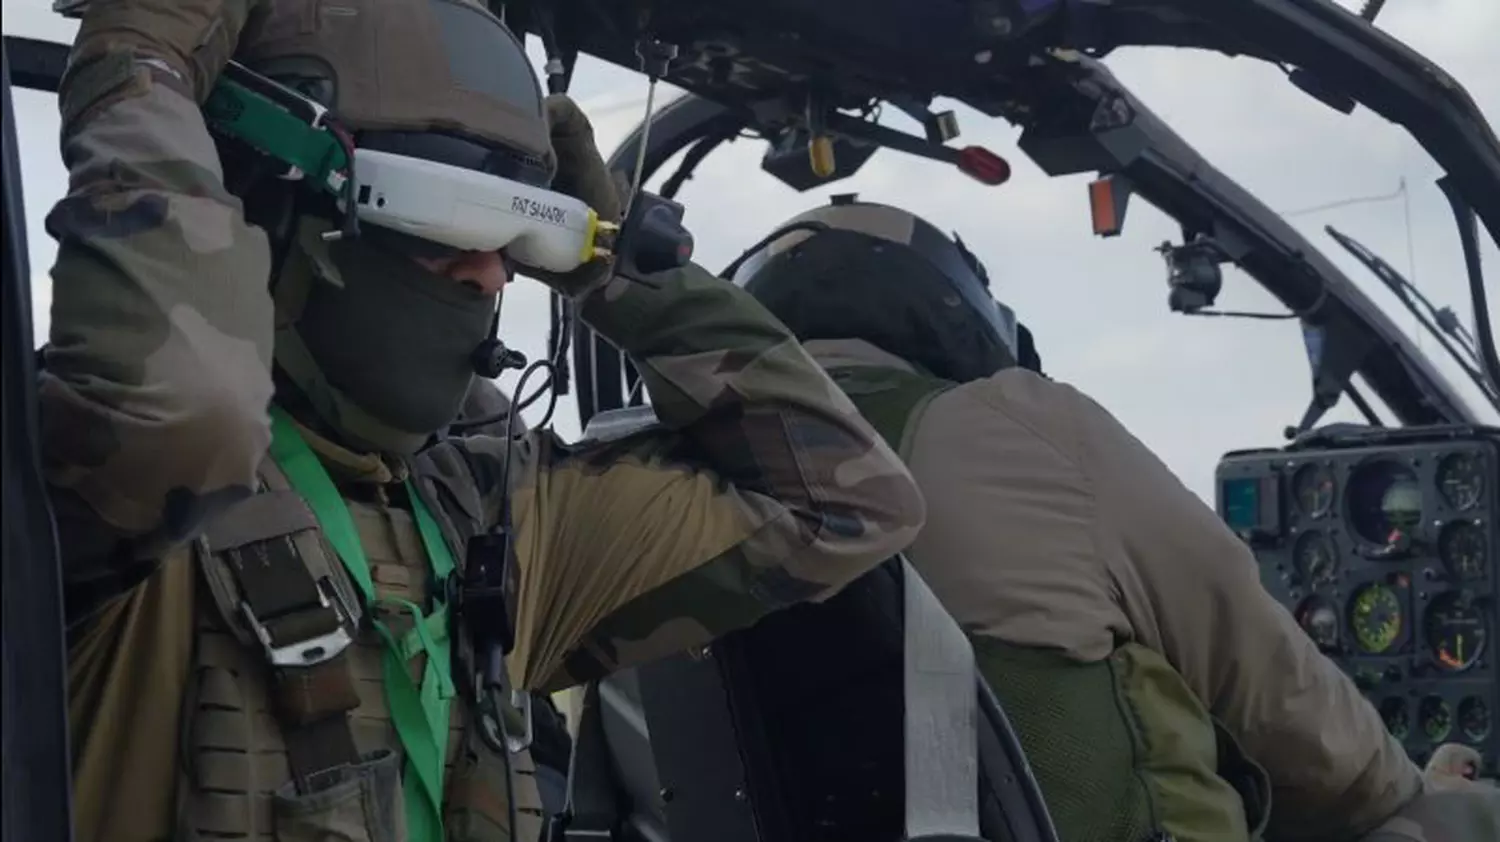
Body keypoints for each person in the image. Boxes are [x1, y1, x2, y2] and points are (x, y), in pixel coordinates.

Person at [47, 3, 925, 841]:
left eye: (512, 245)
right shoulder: (88, 501)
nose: (491, 279)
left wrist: (612, 265)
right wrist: (138, 80)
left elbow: (846, 500)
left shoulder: (494, 525)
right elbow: (180, 415)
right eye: (444, 230)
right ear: (277, 221)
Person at [731, 198, 1500, 842]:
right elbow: (1296, 722)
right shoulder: (1019, 429)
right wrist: (1421, 795)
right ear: (952, 316)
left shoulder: (644, 482)